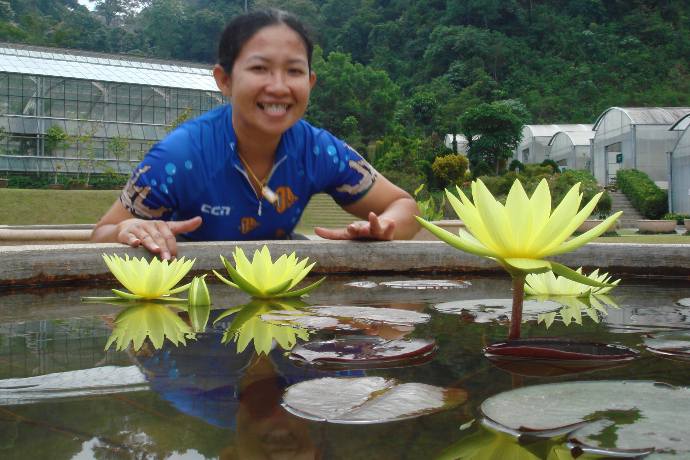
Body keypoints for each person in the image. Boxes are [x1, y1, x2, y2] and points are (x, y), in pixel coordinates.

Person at [91, 9, 420, 260]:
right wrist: (129, 229)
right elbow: (101, 234)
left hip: (276, 310)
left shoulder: (318, 151)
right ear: (225, 80)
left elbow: (404, 206)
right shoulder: (180, 157)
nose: (278, 87)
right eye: (260, 68)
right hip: (188, 309)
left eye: (293, 71)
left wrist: (385, 227)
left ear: (310, 82)